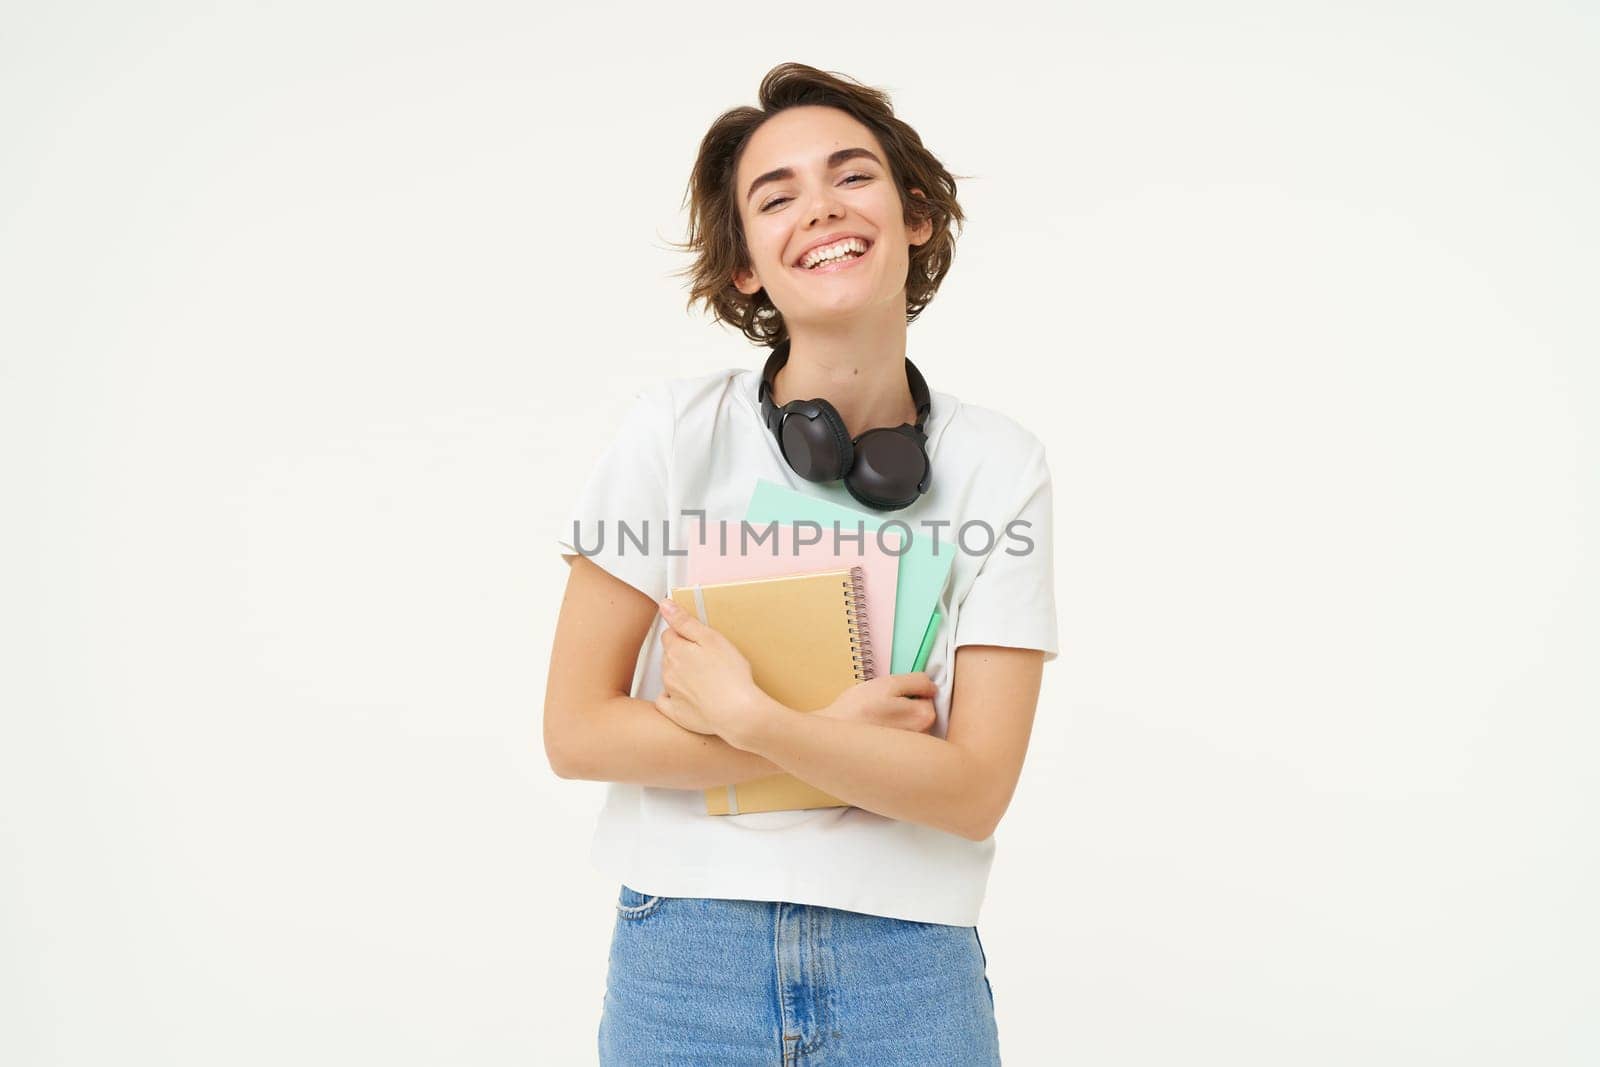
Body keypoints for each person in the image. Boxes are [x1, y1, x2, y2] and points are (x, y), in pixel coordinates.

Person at [545, 62, 1058, 1066]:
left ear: (914, 214)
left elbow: (971, 788)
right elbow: (575, 728)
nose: (818, 207)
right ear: (746, 266)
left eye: (851, 175)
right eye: (775, 196)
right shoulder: (672, 436)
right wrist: (836, 742)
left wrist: (755, 717)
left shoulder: (1000, 462)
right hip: (685, 957)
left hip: (907, 966)